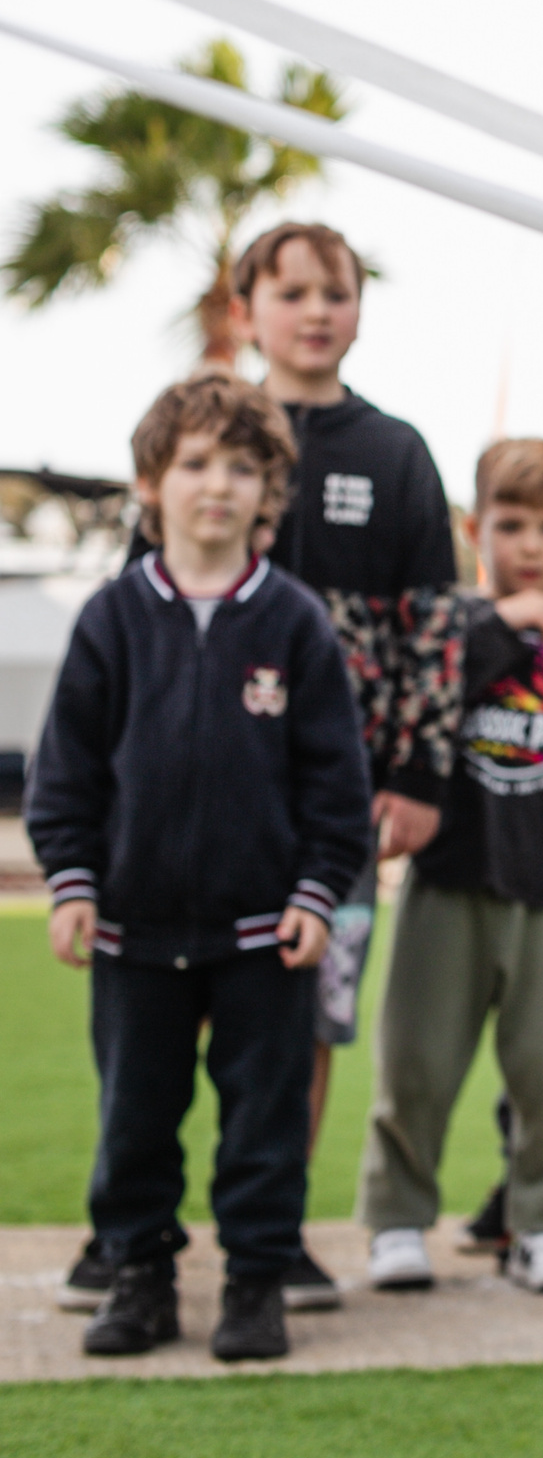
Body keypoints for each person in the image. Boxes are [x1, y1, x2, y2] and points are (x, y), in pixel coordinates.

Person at [61, 222, 463, 1318]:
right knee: (151, 1039)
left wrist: (418, 774)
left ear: (360, 308)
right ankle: (128, 1245)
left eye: (336, 291)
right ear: (247, 310)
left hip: (334, 806)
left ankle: (268, 1244)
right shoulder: (201, 431)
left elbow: (432, 623)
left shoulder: (396, 453)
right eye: (290, 291)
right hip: (173, 829)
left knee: (298, 1027)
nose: (315, 311)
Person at [29, 372, 372, 1361]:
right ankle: (138, 1277)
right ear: (150, 482)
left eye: (240, 466)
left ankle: (256, 1282)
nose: (215, 485)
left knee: (263, 1125)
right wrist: (74, 886)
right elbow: (67, 778)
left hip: (266, 933)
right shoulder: (111, 620)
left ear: (271, 490)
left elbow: (336, 788)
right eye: (193, 465)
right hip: (135, 934)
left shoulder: (297, 622)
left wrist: (315, 891)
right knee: (135, 1122)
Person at [358, 438, 543, 1295]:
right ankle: (398, 1222)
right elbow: (419, 720)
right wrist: (497, 630)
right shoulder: (450, 629)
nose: (529, 545)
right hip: (448, 879)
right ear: (476, 528)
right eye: (510, 525)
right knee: (417, 1068)